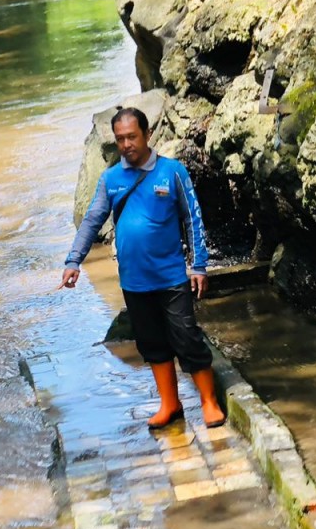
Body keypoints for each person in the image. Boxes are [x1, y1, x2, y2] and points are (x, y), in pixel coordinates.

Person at [59, 107, 226, 429]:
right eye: (120, 139)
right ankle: (170, 405)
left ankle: (209, 402)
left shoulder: (172, 171)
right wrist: (73, 261)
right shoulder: (110, 179)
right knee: (151, 344)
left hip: (172, 278)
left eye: (132, 137)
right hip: (134, 282)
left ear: (148, 134)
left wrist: (199, 265)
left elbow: (193, 219)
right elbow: (93, 221)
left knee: (188, 340)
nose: (126, 144)